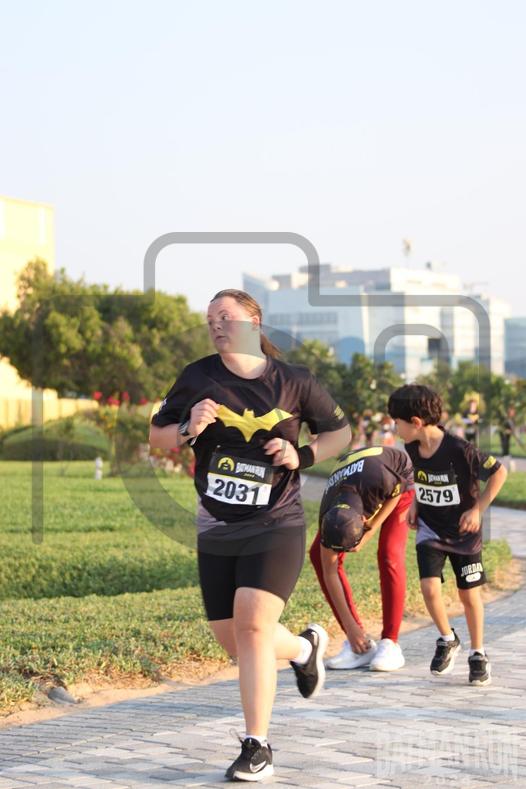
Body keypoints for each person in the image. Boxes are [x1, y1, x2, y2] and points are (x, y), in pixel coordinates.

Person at [149, 289, 350, 782]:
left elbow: (340, 434)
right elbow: (157, 436)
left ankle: (257, 746)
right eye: (210, 319)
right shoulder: (198, 377)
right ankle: (303, 650)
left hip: (276, 523)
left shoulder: (294, 381)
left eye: (226, 316)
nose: (216, 324)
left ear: (255, 322)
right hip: (217, 526)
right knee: (237, 643)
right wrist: (188, 427)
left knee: (254, 626)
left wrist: (301, 455)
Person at [388, 384, 508, 686]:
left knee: (469, 595)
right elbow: (420, 477)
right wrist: (415, 503)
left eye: (397, 422)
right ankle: (447, 638)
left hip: (464, 533)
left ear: (416, 422)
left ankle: (478, 653)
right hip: (430, 528)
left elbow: (499, 472)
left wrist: (477, 510)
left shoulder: (460, 449)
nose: (394, 428)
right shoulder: (412, 447)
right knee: (429, 588)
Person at [309, 445, 414, 672]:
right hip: (353, 482)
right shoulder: (327, 511)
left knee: (389, 554)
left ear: (363, 520)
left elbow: (396, 492)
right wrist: (351, 627)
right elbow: (329, 570)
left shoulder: (382, 481)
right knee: (318, 556)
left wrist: (372, 529)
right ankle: (359, 645)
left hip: (397, 479)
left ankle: (391, 642)